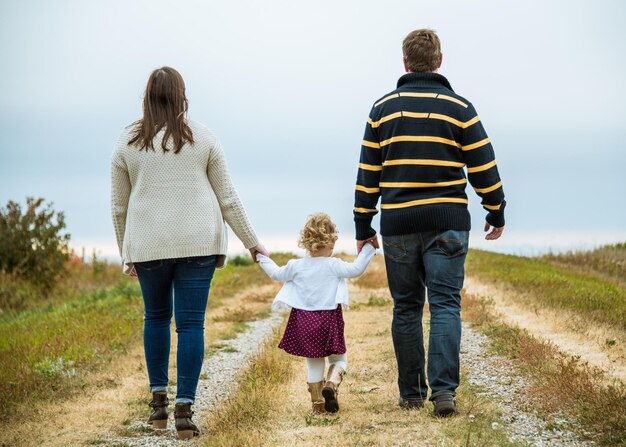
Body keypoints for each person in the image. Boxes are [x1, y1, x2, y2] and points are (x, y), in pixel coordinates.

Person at [353, 29, 506, 417]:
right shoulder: (460, 108)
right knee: (444, 305)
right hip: (448, 222)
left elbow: (368, 173)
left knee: (405, 308)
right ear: (439, 61)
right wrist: (496, 209)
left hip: (398, 224)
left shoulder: (381, 110)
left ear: (405, 63)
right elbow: (483, 165)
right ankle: (443, 394)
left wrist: (363, 226)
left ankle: (409, 394)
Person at [110, 66, 267, 439]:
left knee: (156, 318)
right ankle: (185, 409)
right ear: (182, 94)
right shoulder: (205, 137)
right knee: (191, 324)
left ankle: (158, 405)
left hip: (147, 245)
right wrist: (252, 242)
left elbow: (119, 208)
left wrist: (126, 252)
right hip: (198, 242)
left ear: (147, 96)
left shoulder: (126, 142)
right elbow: (227, 199)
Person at [256, 213, 376, 413]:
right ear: (332, 243)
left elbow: (276, 273)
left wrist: (260, 256)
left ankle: (318, 406)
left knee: (314, 363)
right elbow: (356, 269)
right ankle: (331, 384)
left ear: (306, 242)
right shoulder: (334, 264)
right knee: (339, 359)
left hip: (303, 320)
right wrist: (369, 247)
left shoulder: (296, 266)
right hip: (328, 319)